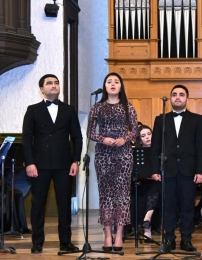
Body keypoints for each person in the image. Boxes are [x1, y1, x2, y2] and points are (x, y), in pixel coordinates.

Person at [22, 74, 83, 254]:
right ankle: (37, 242)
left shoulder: (69, 110)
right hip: (39, 165)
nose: (54, 85)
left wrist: (76, 160)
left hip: (64, 164)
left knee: (64, 205)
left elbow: (77, 137)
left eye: (56, 83)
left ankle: (66, 242)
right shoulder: (32, 110)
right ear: (42, 89)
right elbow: (26, 139)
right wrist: (30, 163)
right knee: (37, 204)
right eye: (49, 83)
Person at [151, 85, 202, 252]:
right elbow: (155, 147)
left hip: (189, 171)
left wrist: (201, 171)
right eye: (174, 95)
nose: (177, 97)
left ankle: (186, 240)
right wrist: (154, 169)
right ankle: (169, 239)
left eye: (181, 95)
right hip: (167, 170)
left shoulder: (197, 119)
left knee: (187, 206)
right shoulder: (161, 119)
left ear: (187, 100)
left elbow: (200, 148)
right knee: (168, 207)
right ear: (170, 99)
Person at [88, 72, 138, 252]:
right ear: (105, 86)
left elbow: (135, 131)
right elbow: (90, 133)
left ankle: (119, 235)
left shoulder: (128, 107)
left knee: (122, 195)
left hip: (123, 154)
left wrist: (125, 139)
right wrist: (103, 139)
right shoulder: (97, 108)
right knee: (106, 195)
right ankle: (107, 234)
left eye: (116, 82)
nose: (113, 84)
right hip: (103, 154)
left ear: (121, 86)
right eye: (109, 81)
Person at [0, 126, 30, 236]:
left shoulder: (0, 150)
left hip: (0, 181)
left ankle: (14, 226)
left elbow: (9, 167)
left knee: (17, 193)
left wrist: (20, 163)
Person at [134, 125, 161, 241]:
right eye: (143, 136)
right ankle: (147, 224)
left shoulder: (161, 151)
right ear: (140, 139)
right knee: (147, 190)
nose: (147, 137)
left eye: (149, 134)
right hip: (141, 183)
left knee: (155, 187)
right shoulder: (135, 152)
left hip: (156, 182)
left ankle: (147, 224)